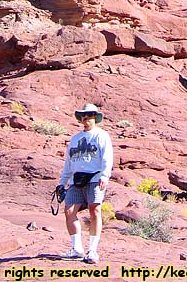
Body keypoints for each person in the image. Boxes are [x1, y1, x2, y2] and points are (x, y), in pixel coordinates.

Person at [58, 103, 113, 264]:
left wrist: (105, 175)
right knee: (69, 211)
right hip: (76, 180)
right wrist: (63, 182)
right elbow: (68, 162)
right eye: (84, 117)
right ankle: (76, 249)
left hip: (95, 178)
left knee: (94, 210)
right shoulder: (75, 139)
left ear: (95, 118)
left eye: (89, 117)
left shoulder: (101, 136)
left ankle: (93, 251)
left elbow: (107, 157)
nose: (86, 119)